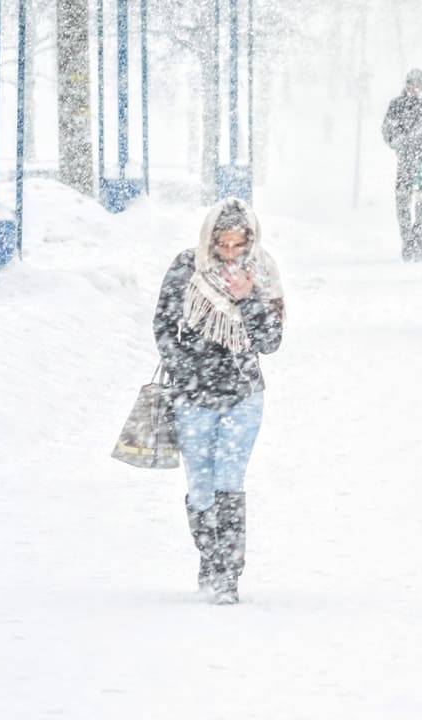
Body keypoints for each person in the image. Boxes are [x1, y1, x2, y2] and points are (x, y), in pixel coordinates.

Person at [152, 197, 285, 605]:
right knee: (201, 487)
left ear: (250, 241)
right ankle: (209, 557)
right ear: (209, 240)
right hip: (193, 394)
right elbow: (163, 323)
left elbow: (271, 341)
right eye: (222, 245)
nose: (229, 253)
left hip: (243, 393)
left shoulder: (262, 273)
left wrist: (247, 299)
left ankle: (228, 573)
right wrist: (186, 367)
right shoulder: (185, 268)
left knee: (230, 480)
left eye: (237, 245)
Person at [381, 69, 422, 262]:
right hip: (406, 164)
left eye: (418, 84)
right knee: (403, 204)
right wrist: (400, 143)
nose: (414, 88)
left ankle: (418, 242)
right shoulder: (397, 105)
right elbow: (387, 130)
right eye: (411, 84)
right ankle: (407, 242)